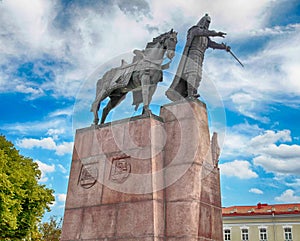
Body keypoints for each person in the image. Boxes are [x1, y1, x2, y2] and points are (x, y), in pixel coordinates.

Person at [166, 14, 230, 101]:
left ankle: (193, 93)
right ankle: (190, 94)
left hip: (200, 57)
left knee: (198, 76)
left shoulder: (206, 38)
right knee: (192, 73)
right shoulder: (194, 30)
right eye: (206, 22)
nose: (207, 24)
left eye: (209, 23)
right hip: (192, 55)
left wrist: (224, 47)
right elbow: (203, 32)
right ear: (202, 21)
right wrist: (216, 33)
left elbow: (213, 44)